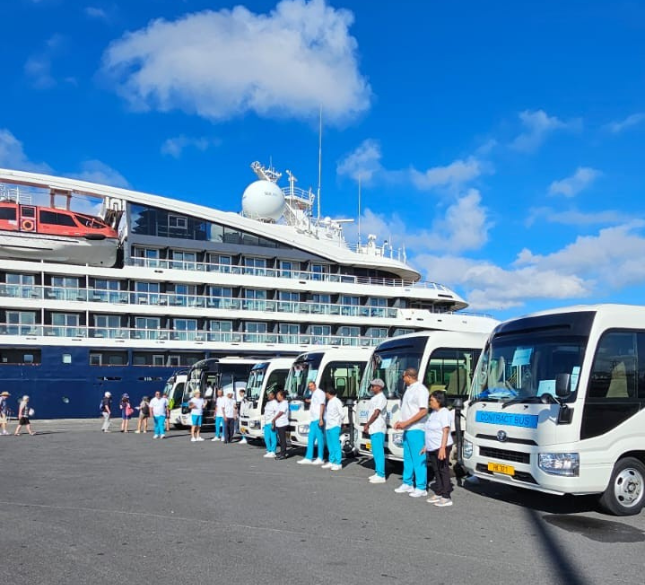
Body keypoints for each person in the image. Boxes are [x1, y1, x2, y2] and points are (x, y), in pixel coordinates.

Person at [393, 368, 429, 498]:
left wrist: (406, 422)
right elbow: (407, 409)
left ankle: (421, 486)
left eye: (403, 377)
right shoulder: (409, 390)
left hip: (417, 428)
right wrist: (401, 422)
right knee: (407, 458)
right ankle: (407, 482)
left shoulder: (421, 390)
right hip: (407, 429)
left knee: (418, 458)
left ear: (408, 376)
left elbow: (423, 411)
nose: (402, 379)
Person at [423, 391, 454, 507]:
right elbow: (429, 430)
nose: (430, 402)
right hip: (432, 446)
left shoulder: (444, 413)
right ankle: (439, 492)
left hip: (442, 446)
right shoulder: (433, 413)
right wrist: (426, 446)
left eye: (432, 400)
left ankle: (446, 496)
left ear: (439, 401)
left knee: (443, 470)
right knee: (436, 470)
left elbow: (445, 431)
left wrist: (442, 448)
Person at [363, 378, 388, 483]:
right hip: (374, 428)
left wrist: (367, 424)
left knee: (379, 451)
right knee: (375, 451)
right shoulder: (375, 398)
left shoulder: (381, 398)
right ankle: (378, 472)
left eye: (373, 386)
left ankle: (381, 475)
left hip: (378, 427)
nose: (372, 388)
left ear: (379, 387)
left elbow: (376, 413)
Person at [297, 380, 326, 466]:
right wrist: (307, 400)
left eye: (311, 386)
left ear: (315, 385)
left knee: (320, 439)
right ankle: (308, 457)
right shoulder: (314, 394)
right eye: (309, 386)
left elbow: (322, 404)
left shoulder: (320, 393)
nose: (310, 387)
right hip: (313, 419)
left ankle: (320, 457)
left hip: (318, 418)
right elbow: (314, 402)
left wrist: (321, 418)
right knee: (310, 438)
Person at [321, 387, 343, 471]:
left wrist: (338, 423)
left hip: (334, 426)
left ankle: (338, 463)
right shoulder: (329, 402)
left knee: (335, 445)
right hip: (328, 426)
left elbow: (342, 413)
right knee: (330, 445)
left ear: (328, 393)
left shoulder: (337, 401)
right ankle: (331, 460)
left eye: (325, 393)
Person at [272, 389, 289, 460]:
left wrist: (274, 418)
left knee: (282, 439)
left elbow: (281, 412)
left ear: (282, 396)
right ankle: (282, 452)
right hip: (279, 423)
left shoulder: (284, 403)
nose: (277, 396)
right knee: (280, 439)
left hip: (282, 423)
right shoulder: (280, 403)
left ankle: (283, 454)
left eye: (278, 395)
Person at [263, 389, 278, 458]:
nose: (268, 396)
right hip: (266, 423)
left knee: (273, 438)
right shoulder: (267, 403)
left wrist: (274, 423)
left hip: (272, 422)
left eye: (270, 395)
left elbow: (276, 413)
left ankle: (273, 451)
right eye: (268, 395)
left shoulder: (275, 403)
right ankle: (268, 450)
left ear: (273, 396)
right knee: (266, 438)